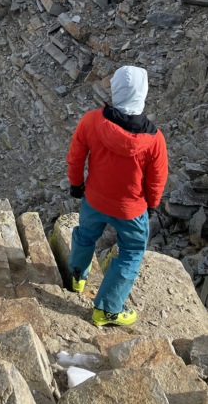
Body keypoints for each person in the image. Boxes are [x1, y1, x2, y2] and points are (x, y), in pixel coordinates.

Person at [66, 65, 168, 327]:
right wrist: (153, 204)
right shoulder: (155, 139)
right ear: (142, 93)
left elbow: (76, 156)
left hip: (95, 199)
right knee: (132, 251)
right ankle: (107, 310)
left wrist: (76, 186)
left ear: (116, 90)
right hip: (131, 209)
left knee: (85, 235)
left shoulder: (91, 121)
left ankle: (77, 276)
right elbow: (157, 178)